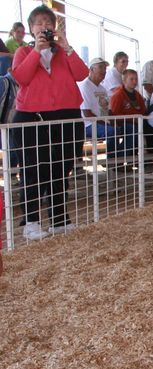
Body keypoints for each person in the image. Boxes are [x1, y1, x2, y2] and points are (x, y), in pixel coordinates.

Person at [11, 4, 88, 241]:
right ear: (31, 29)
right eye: (39, 23)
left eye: (48, 23)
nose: (44, 27)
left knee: (61, 168)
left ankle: (59, 219)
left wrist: (67, 47)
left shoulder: (63, 52)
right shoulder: (23, 52)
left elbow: (81, 73)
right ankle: (31, 221)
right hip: (33, 118)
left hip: (65, 116)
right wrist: (36, 51)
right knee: (33, 170)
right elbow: (21, 77)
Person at [79, 57, 133, 160]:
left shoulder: (102, 88)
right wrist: (107, 123)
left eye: (104, 68)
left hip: (102, 122)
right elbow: (87, 114)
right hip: (89, 124)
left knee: (131, 129)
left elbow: (107, 110)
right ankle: (112, 162)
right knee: (112, 131)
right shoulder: (84, 86)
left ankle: (121, 158)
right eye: (100, 67)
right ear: (91, 69)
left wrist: (113, 121)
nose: (103, 71)